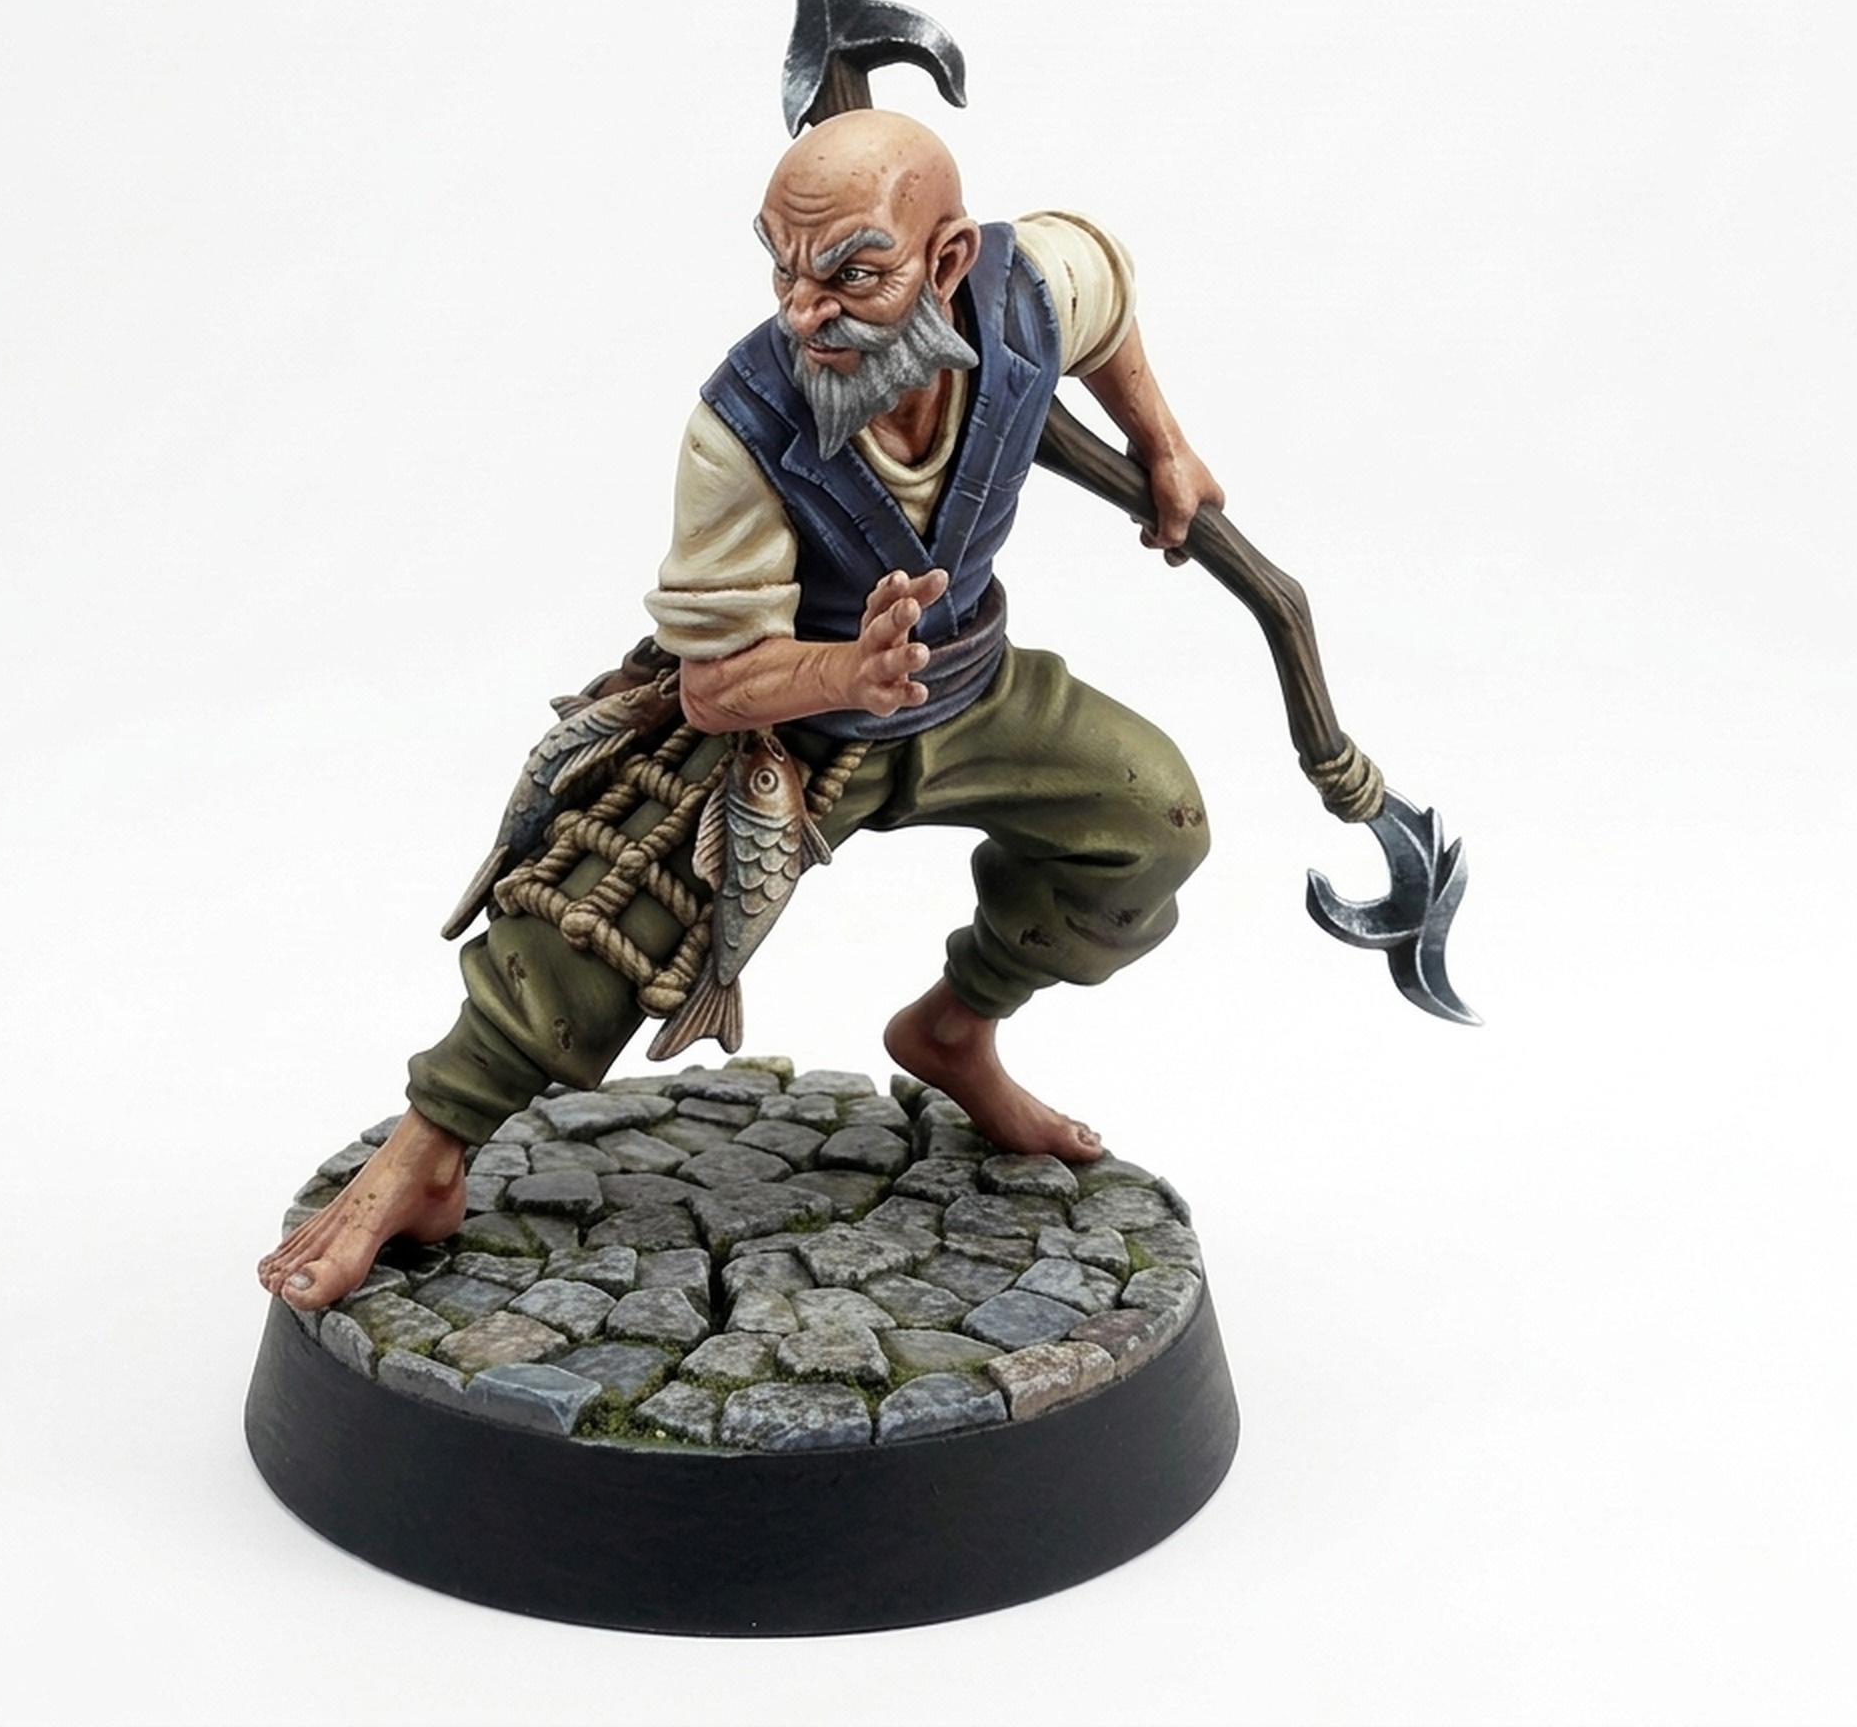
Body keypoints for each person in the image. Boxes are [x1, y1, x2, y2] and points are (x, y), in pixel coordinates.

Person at [259, 110, 1222, 1312]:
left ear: (947, 262)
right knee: (592, 919)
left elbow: (1107, 305)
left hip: (970, 686)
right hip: (780, 726)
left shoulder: (1025, 292)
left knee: (1148, 822)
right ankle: (426, 1158)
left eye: (852, 275)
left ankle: (953, 1027)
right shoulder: (742, 426)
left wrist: (1163, 446)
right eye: (783, 269)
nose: (806, 312)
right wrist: (846, 673)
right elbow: (714, 681)